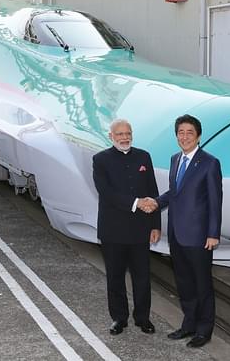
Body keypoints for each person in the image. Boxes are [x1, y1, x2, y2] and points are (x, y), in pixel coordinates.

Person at [144, 114, 222, 348]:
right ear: (176, 136)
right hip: (177, 234)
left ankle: (204, 330)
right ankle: (188, 325)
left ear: (198, 135)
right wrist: (156, 201)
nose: (185, 136)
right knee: (184, 283)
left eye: (189, 132)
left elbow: (216, 201)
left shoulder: (210, 163)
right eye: (181, 132)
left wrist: (213, 233)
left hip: (199, 236)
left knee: (202, 285)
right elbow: (174, 192)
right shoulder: (175, 159)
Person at [92, 119, 161, 335]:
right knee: (115, 277)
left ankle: (143, 318)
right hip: (113, 230)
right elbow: (106, 192)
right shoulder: (100, 160)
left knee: (142, 277)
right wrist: (137, 203)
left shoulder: (144, 157)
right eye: (120, 134)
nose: (124, 137)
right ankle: (119, 319)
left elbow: (153, 190)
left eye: (128, 133)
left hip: (141, 230)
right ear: (111, 136)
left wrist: (156, 225)